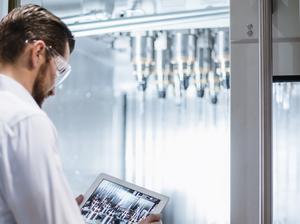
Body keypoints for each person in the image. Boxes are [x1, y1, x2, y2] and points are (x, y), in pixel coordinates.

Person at [0, 4, 160, 224]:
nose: (54, 89)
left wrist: (63, 209)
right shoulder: (24, 119)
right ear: (37, 52)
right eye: (60, 70)